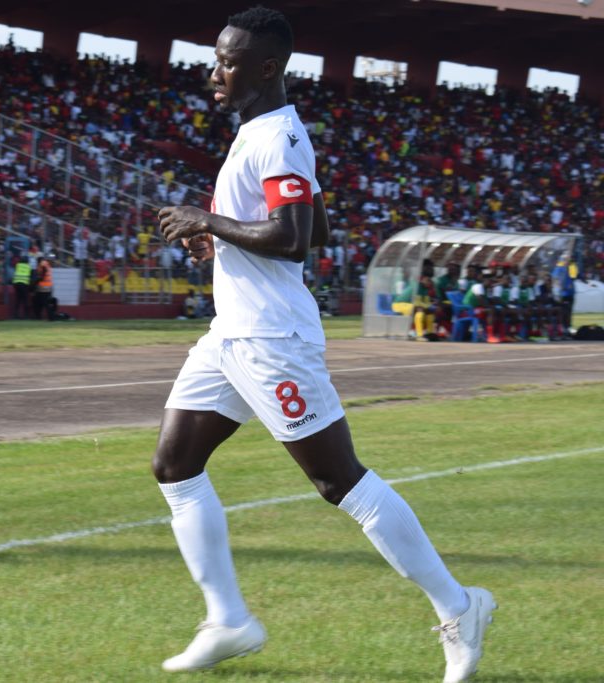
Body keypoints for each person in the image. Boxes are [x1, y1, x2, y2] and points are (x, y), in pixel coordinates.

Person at [152, 7, 494, 680]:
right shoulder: (262, 132)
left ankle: (460, 606)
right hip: (232, 333)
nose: (215, 72)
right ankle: (228, 620)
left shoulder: (276, 137)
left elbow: (293, 238)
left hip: (272, 338)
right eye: (216, 59)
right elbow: (319, 227)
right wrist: (219, 239)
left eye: (227, 62)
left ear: (266, 67)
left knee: (340, 481)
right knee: (175, 465)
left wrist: (207, 221)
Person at [31, 255, 53, 321]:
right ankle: (39, 316)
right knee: (41, 302)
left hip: (43, 287)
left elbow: (43, 273)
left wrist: (38, 280)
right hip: (48, 286)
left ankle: (50, 317)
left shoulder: (42, 264)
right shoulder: (47, 264)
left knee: (43, 302)